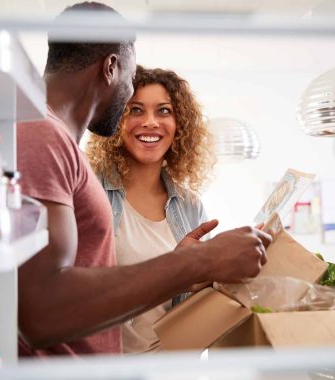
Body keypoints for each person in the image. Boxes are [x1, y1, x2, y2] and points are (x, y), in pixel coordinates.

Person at [17, 1, 272, 357]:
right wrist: (200, 260)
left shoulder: (49, 137)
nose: (132, 107)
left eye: (163, 111)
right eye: (131, 87)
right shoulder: (41, 134)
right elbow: (40, 314)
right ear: (111, 67)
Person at [85, 65, 216, 353]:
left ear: (179, 123)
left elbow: (201, 302)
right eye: (135, 110)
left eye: (164, 111)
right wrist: (175, 273)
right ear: (117, 119)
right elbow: (75, 297)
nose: (150, 122)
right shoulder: (89, 191)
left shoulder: (190, 206)